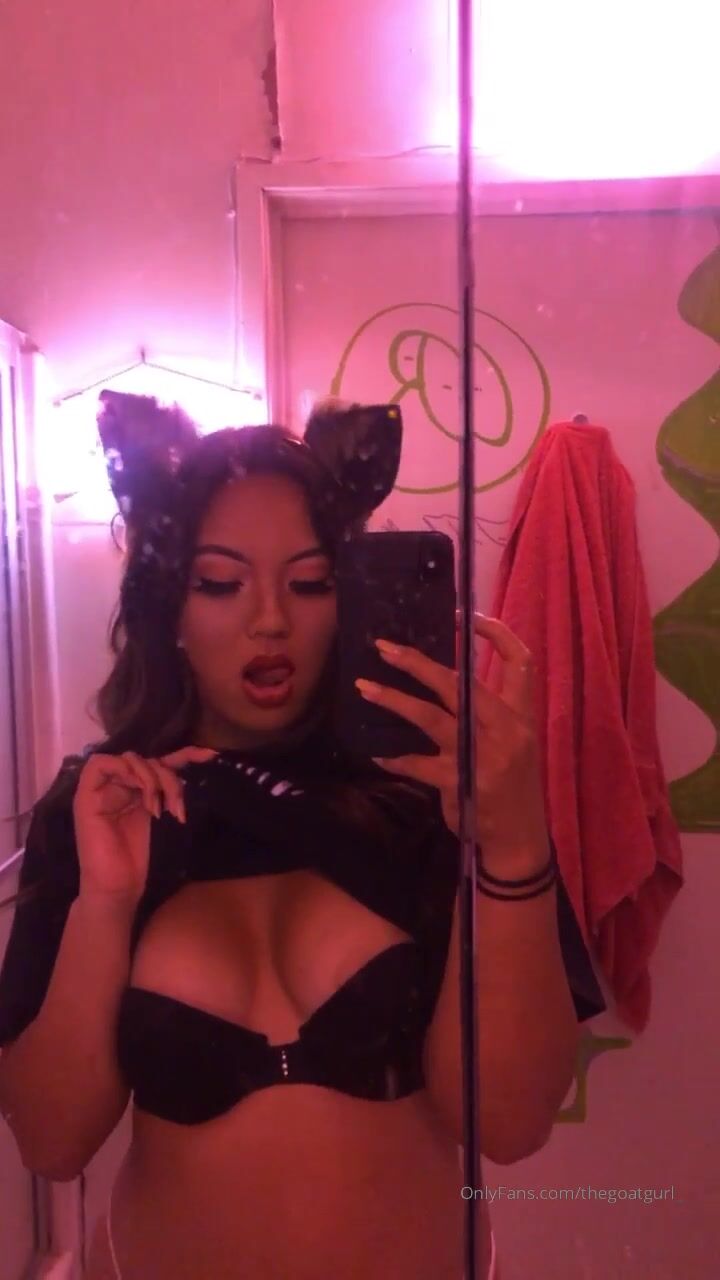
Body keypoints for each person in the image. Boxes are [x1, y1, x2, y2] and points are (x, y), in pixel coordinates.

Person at [0, 395, 605, 1279]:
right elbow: (51, 1142)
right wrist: (108, 901)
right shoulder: (102, 810)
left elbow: (510, 1125)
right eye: (220, 583)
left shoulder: (429, 796)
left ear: (347, 597)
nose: (271, 619)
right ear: (171, 606)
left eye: (311, 582)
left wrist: (514, 849)